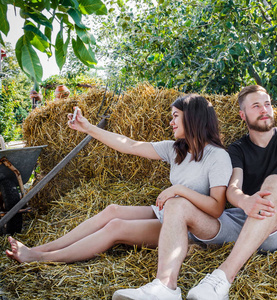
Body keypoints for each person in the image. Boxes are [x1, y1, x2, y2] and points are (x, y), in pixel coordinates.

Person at [110, 63, 277, 300]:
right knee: (176, 205)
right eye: (256, 106)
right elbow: (232, 189)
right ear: (242, 116)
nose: (264, 110)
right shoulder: (235, 150)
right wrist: (245, 202)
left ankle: (222, 278)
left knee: (276, 182)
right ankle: (164, 288)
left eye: (268, 103)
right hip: (241, 221)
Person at [5, 94, 232, 276]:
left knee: (116, 227)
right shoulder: (176, 150)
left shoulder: (217, 156)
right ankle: (38, 249)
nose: (170, 122)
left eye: (175, 116)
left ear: (193, 119)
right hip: (169, 213)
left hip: (193, 227)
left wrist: (179, 190)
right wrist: (88, 127)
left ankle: (42, 258)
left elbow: (216, 209)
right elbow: (130, 145)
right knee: (112, 211)